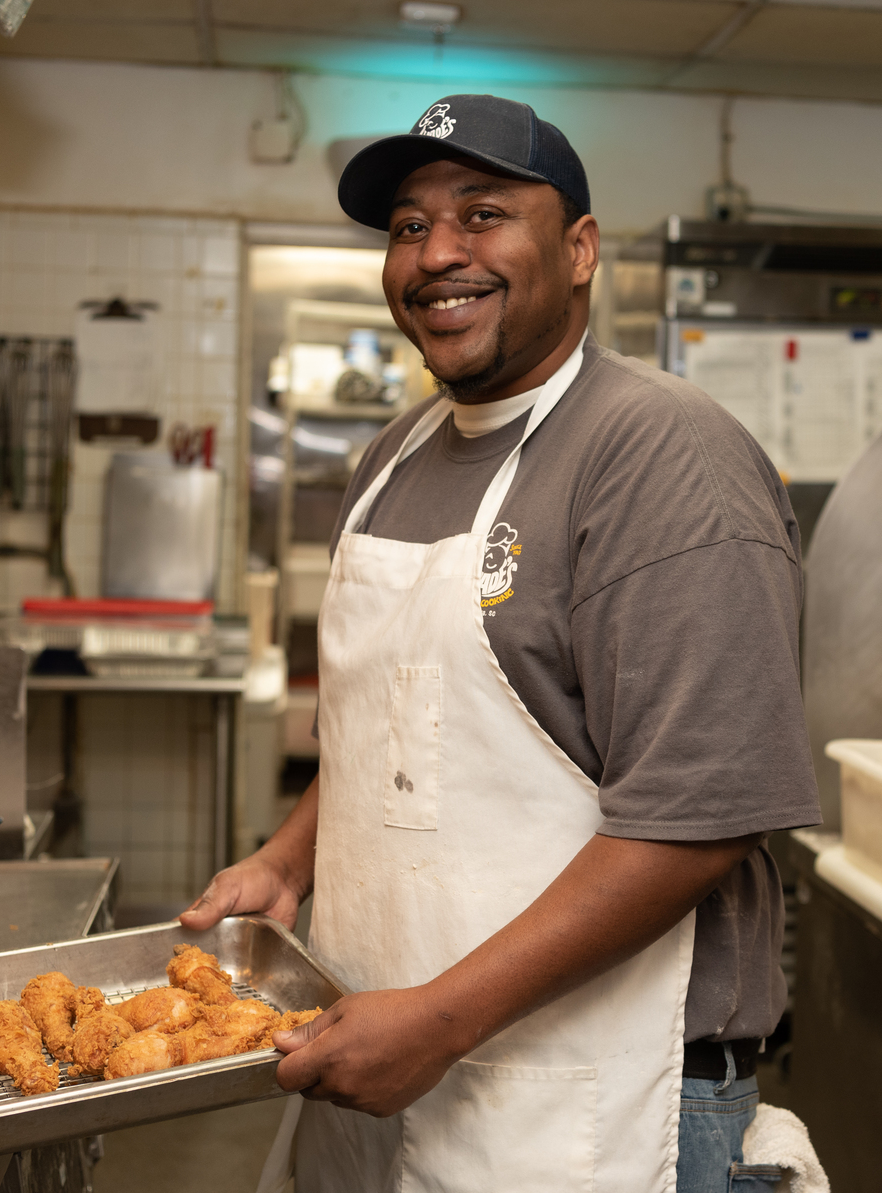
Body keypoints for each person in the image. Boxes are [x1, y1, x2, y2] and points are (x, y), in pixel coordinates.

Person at [182, 94, 821, 1193]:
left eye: (482, 216)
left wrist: (438, 1020)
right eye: (409, 226)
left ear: (579, 251)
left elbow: (698, 821)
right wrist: (287, 864)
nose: (438, 254)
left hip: (595, 1104)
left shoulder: (662, 457)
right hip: (377, 1066)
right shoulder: (396, 453)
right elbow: (394, 733)